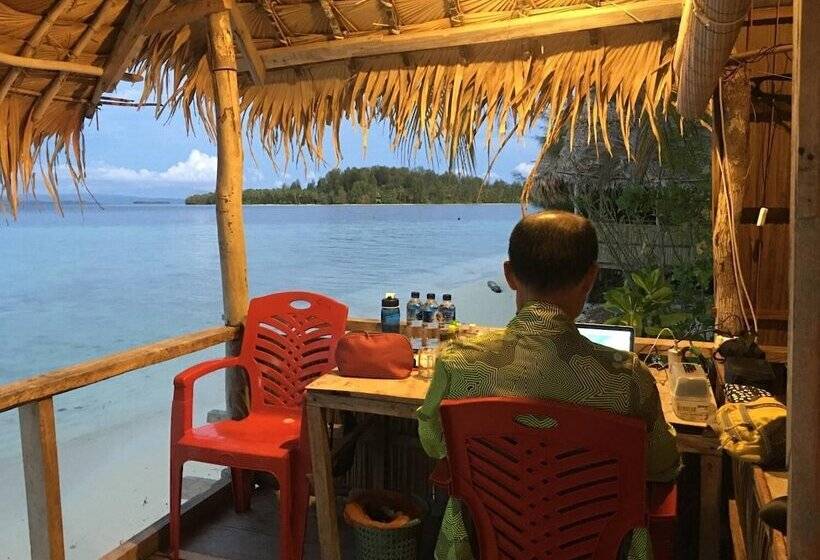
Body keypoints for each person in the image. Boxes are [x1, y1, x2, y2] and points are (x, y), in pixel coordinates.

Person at [417, 210, 681, 560]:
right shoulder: (626, 379)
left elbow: (435, 445)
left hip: (488, 547)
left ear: (509, 275)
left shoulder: (459, 364)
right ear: (591, 278)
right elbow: (662, 466)